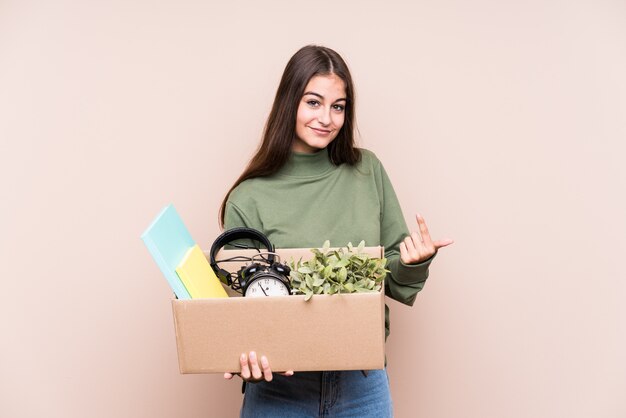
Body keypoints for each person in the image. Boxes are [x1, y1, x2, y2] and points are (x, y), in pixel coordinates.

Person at [218, 45, 453, 417]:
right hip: (280, 387)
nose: (326, 118)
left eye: (338, 106)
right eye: (313, 102)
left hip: (362, 383)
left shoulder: (367, 171)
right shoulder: (249, 197)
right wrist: (246, 353)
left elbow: (391, 273)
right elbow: (247, 306)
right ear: (289, 103)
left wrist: (413, 261)